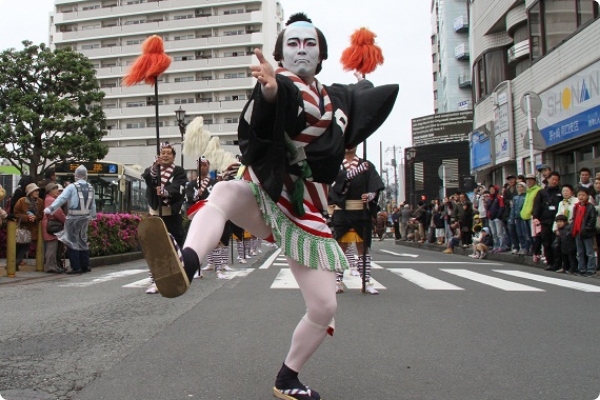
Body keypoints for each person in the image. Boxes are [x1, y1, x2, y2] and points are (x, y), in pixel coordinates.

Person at [137, 12, 398, 400]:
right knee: (224, 194)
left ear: (322, 53)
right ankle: (187, 264)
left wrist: (363, 94)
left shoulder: (336, 96)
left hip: (308, 210)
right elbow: (269, 112)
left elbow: (371, 102)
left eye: (310, 43)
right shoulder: (280, 86)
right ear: (280, 56)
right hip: (267, 191)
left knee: (325, 306)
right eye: (293, 43)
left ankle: (287, 377)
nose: (302, 50)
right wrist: (272, 89)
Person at [330, 146, 385, 295]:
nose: (350, 145)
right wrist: (356, 171)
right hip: (342, 211)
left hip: (361, 211)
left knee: (363, 248)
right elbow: (334, 184)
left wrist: (371, 195)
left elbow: (376, 185)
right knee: (340, 247)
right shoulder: (336, 165)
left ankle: (366, 281)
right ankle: (337, 281)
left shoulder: (367, 165)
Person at [143, 142, 187, 293]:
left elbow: (179, 187)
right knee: (155, 248)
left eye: (169, 153)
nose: (165, 155)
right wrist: (155, 169)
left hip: (171, 215)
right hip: (156, 214)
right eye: (163, 152)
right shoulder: (153, 170)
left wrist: (166, 191)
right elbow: (149, 180)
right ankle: (156, 281)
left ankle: (179, 275)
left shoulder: (179, 171)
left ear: (174, 157)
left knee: (175, 247)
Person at [44, 165, 97, 274]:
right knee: (82, 240)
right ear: (86, 175)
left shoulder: (72, 187)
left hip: (73, 217)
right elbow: (93, 205)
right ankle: (85, 265)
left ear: (76, 176)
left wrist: (50, 209)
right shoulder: (91, 187)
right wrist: (93, 216)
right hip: (85, 217)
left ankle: (76, 267)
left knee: (72, 241)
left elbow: (61, 199)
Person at [532, 171, 562, 271]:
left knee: (557, 243)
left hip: (557, 221)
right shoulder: (541, 192)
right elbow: (537, 206)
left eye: (556, 180)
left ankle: (558, 263)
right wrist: (535, 217)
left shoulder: (560, 192)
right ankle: (550, 262)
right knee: (547, 242)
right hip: (545, 221)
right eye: (553, 179)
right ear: (548, 179)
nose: (554, 181)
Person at [13, 183, 44, 268]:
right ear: (30, 192)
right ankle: (13, 263)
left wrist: (36, 217)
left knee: (26, 246)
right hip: (23, 228)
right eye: (35, 191)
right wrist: (27, 217)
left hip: (34, 228)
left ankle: (16, 263)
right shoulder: (22, 201)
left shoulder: (40, 202)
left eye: (37, 190)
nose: (37, 192)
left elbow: (42, 215)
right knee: (19, 246)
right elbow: (16, 214)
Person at [571, 187, 597, 277]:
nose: (581, 197)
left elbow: (592, 219)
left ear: (587, 196)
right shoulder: (577, 206)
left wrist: (586, 228)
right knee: (580, 252)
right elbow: (574, 219)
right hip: (578, 232)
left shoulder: (590, 207)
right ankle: (581, 269)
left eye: (583, 195)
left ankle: (591, 269)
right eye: (579, 195)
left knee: (589, 252)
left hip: (586, 233)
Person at [42, 183, 66, 273]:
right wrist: (65, 221)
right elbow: (58, 213)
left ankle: (53, 265)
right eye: (55, 189)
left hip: (49, 224)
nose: (57, 191)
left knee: (52, 246)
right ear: (50, 191)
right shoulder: (51, 200)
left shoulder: (48, 199)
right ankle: (50, 266)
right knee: (52, 246)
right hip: (51, 225)